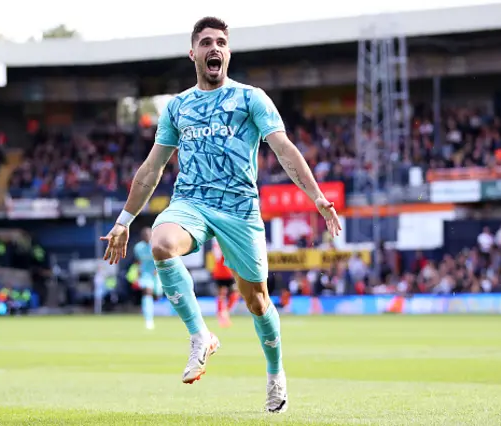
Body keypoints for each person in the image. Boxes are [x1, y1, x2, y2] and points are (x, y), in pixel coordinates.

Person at [100, 16, 341, 413]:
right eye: (207, 42)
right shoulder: (177, 106)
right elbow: (151, 168)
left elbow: (283, 149)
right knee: (161, 244)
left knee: (258, 301)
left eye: (222, 43)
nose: (216, 48)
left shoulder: (251, 98)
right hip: (191, 203)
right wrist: (124, 221)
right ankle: (201, 336)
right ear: (193, 53)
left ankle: (275, 372)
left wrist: (316, 196)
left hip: (240, 210)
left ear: (227, 53)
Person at [133, 227, 162, 330]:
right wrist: (137, 274)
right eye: (145, 235)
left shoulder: (156, 245)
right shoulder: (138, 247)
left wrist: (157, 269)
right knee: (147, 292)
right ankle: (148, 320)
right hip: (145, 274)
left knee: (157, 295)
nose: (147, 237)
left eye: (149, 235)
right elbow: (138, 261)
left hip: (158, 274)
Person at [212, 238, 238, 328]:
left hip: (222, 273)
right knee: (226, 294)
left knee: (226, 294)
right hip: (224, 273)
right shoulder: (221, 245)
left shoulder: (220, 245)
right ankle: (224, 313)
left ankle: (223, 313)